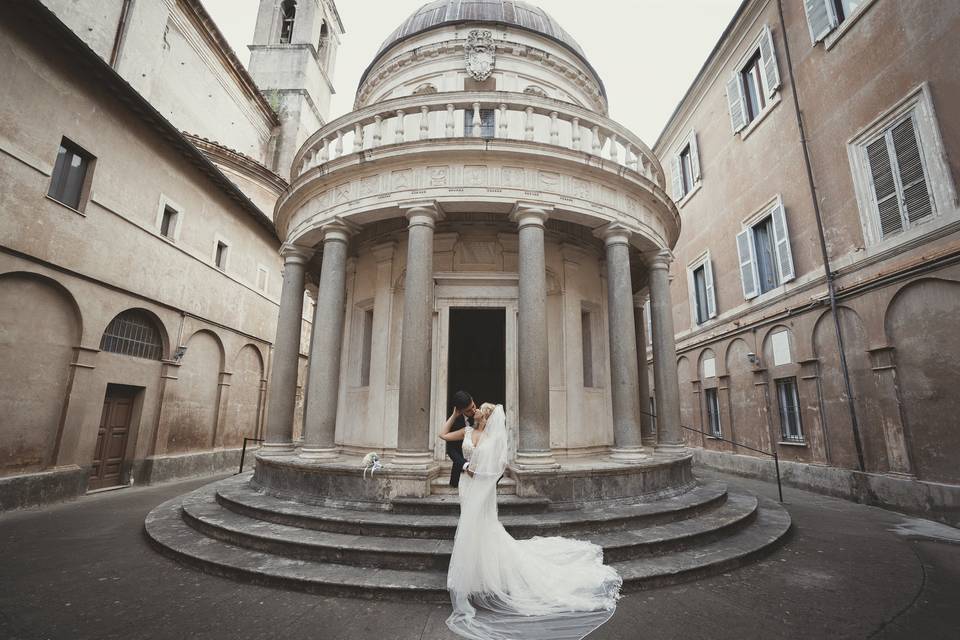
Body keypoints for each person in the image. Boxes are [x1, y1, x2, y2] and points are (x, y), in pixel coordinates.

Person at [446, 403, 622, 640]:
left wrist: (485, 481)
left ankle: (483, 576)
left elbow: (499, 465)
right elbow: (445, 438)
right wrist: (456, 419)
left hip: (482, 489)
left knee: (481, 528)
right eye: (475, 409)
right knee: (471, 528)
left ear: (486, 417)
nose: (475, 410)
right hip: (467, 486)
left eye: (480, 409)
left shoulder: (494, 438)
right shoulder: (468, 431)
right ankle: (476, 574)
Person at [438, 390, 476, 488]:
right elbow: (451, 449)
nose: (473, 411)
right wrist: (465, 465)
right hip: (460, 471)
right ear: (460, 410)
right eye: (468, 410)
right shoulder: (453, 422)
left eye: (473, 406)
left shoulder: (481, 416)